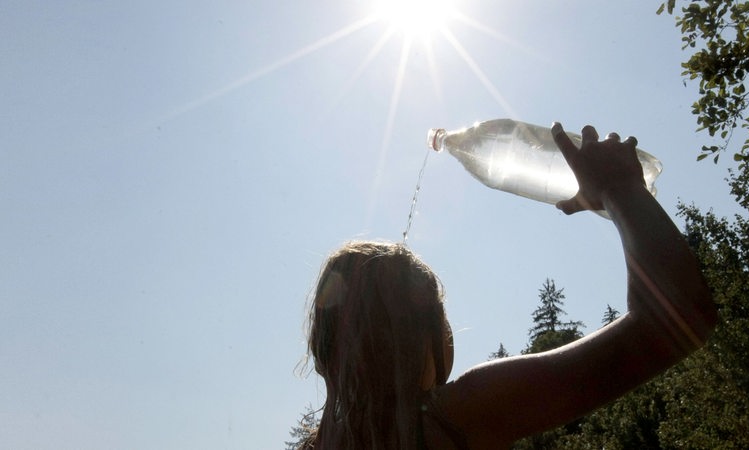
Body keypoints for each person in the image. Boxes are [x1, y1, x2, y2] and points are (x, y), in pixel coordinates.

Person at [300, 123, 718, 449]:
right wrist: (620, 188)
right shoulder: (462, 416)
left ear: (322, 350)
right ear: (427, 333)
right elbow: (678, 321)